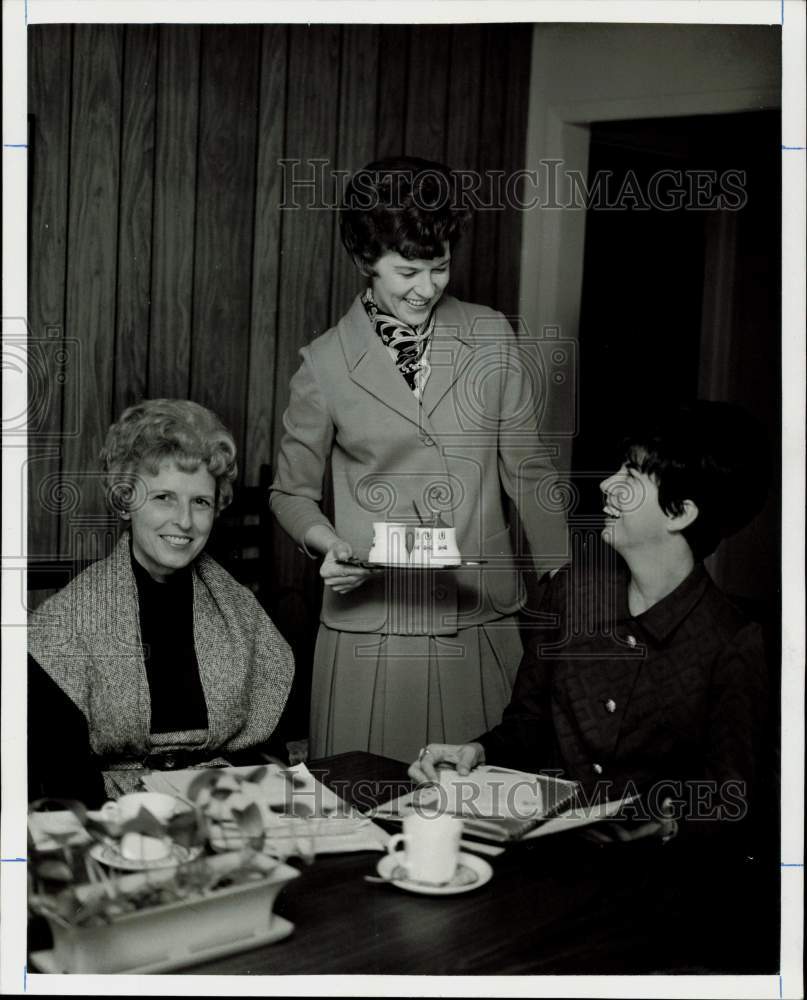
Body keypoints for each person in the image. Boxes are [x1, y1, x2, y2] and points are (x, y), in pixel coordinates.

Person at [270, 156, 567, 762]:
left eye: (440, 267)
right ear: (364, 262)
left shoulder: (491, 335)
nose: (428, 287)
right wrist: (327, 544)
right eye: (407, 271)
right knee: (368, 822)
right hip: (371, 635)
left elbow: (529, 471)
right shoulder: (323, 363)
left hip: (483, 624)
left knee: (489, 817)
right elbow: (290, 493)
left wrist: (565, 582)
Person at [409, 400, 772, 845]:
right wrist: (477, 752)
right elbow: (529, 723)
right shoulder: (568, 594)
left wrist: (666, 822)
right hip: (544, 859)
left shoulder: (733, 642)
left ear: (680, 513)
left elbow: (730, 797)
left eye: (631, 477)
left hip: (651, 891)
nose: (605, 485)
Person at [28, 399, 295, 803]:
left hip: (228, 804)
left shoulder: (241, 612)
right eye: (164, 498)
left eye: (200, 502)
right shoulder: (65, 623)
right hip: (116, 814)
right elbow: (60, 780)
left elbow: (268, 750)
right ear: (125, 501)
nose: (185, 521)